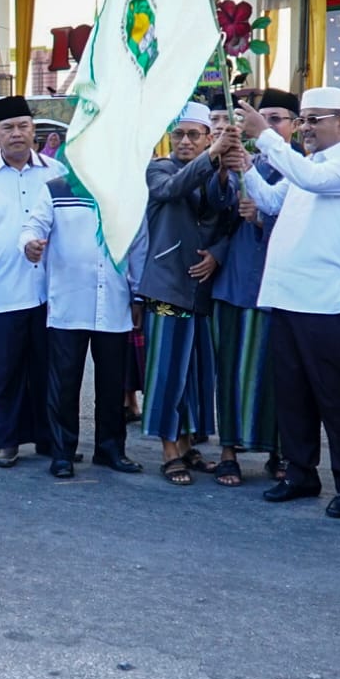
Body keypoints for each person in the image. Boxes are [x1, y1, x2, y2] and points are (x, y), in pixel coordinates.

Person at [237, 86, 340, 518]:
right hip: (289, 295)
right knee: (292, 393)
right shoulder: (307, 164)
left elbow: (309, 180)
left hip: (329, 300)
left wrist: (266, 136)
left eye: (314, 120)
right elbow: (271, 201)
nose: (306, 128)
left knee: (335, 397)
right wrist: (244, 166)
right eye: (303, 120)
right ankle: (300, 473)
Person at [0, 95, 64, 469]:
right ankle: (7, 442)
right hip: (0, 293)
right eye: (8, 128)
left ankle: (53, 441)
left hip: (50, 293)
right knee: (4, 374)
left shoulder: (55, 173)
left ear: (33, 130)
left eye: (23, 126)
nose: (16, 134)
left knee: (48, 371)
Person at [135, 102, 235, 485]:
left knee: (196, 374)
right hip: (168, 287)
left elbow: (230, 220)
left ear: (209, 136)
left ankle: (190, 444)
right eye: (179, 134)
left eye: (195, 134)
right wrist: (213, 157)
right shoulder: (159, 168)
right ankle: (168, 450)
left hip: (203, 288)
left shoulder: (218, 172)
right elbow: (174, 189)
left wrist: (218, 255)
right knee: (167, 371)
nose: (185, 141)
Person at [21, 174, 141, 479]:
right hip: (69, 302)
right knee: (64, 381)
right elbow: (33, 226)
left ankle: (110, 448)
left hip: (113, 301)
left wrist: (138, 296)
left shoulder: (127, 191)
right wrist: (30, 245)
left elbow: (139, 244)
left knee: (113, 382)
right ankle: (62, 452)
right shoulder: (56, 190)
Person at [208, 89, 301, 483]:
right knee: (230, 369)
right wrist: (224, 172)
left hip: (281, 288)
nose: (269, 125)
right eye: (263, 117)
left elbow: (303, 226)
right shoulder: (244, 162)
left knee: (279, 373)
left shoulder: (301, 168)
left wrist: (264, 220)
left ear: (295, 125)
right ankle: (228, 451)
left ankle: (278, 453)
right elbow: (210, 214)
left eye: (278, 118)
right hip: (234, 283)